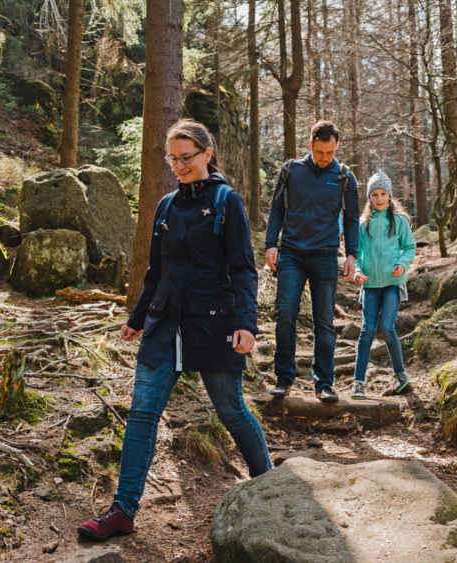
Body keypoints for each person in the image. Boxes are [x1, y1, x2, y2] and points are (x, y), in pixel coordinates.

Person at [77, 119, 270, 541]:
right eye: (173, 159)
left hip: (213, 322)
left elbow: (243, 269)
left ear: (207, 154)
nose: (180, 166)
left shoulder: (226, 201)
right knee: (142, 414)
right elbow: (155, 271)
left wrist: (246, 324)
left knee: (231, 409)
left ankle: (269, 487)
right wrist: (137, 317)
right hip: (164, 324)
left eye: (187, 158)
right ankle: (123, 510)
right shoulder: (166, 206)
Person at [265, 121, 360, 403]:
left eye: (330, 152)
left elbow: (353, 219)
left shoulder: (344, 177)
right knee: (285, 314)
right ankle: (284, 379)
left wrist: (351, 254)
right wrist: (271, 244)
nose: (324, 158)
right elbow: (276, 209)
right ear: (310, 145)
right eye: (320, 152)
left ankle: (324, 384)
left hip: (326, 255)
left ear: (336, 147)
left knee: (324, 322)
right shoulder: (291, 171)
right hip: (291, 253)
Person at [348, 172, 416, 400]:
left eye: (383, 194)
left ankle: (400, 375)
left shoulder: (399, 221)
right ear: (369, 197)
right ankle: (358, 383)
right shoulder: (362, 224)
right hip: (369, 286)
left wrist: (402, 264)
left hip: (392, 283)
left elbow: (409, 248)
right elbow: (356, 254)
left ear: (390, 195)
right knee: (367, 330)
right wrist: (357, 270)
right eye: (374, 194)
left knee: (386, 327)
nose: (379, 199)